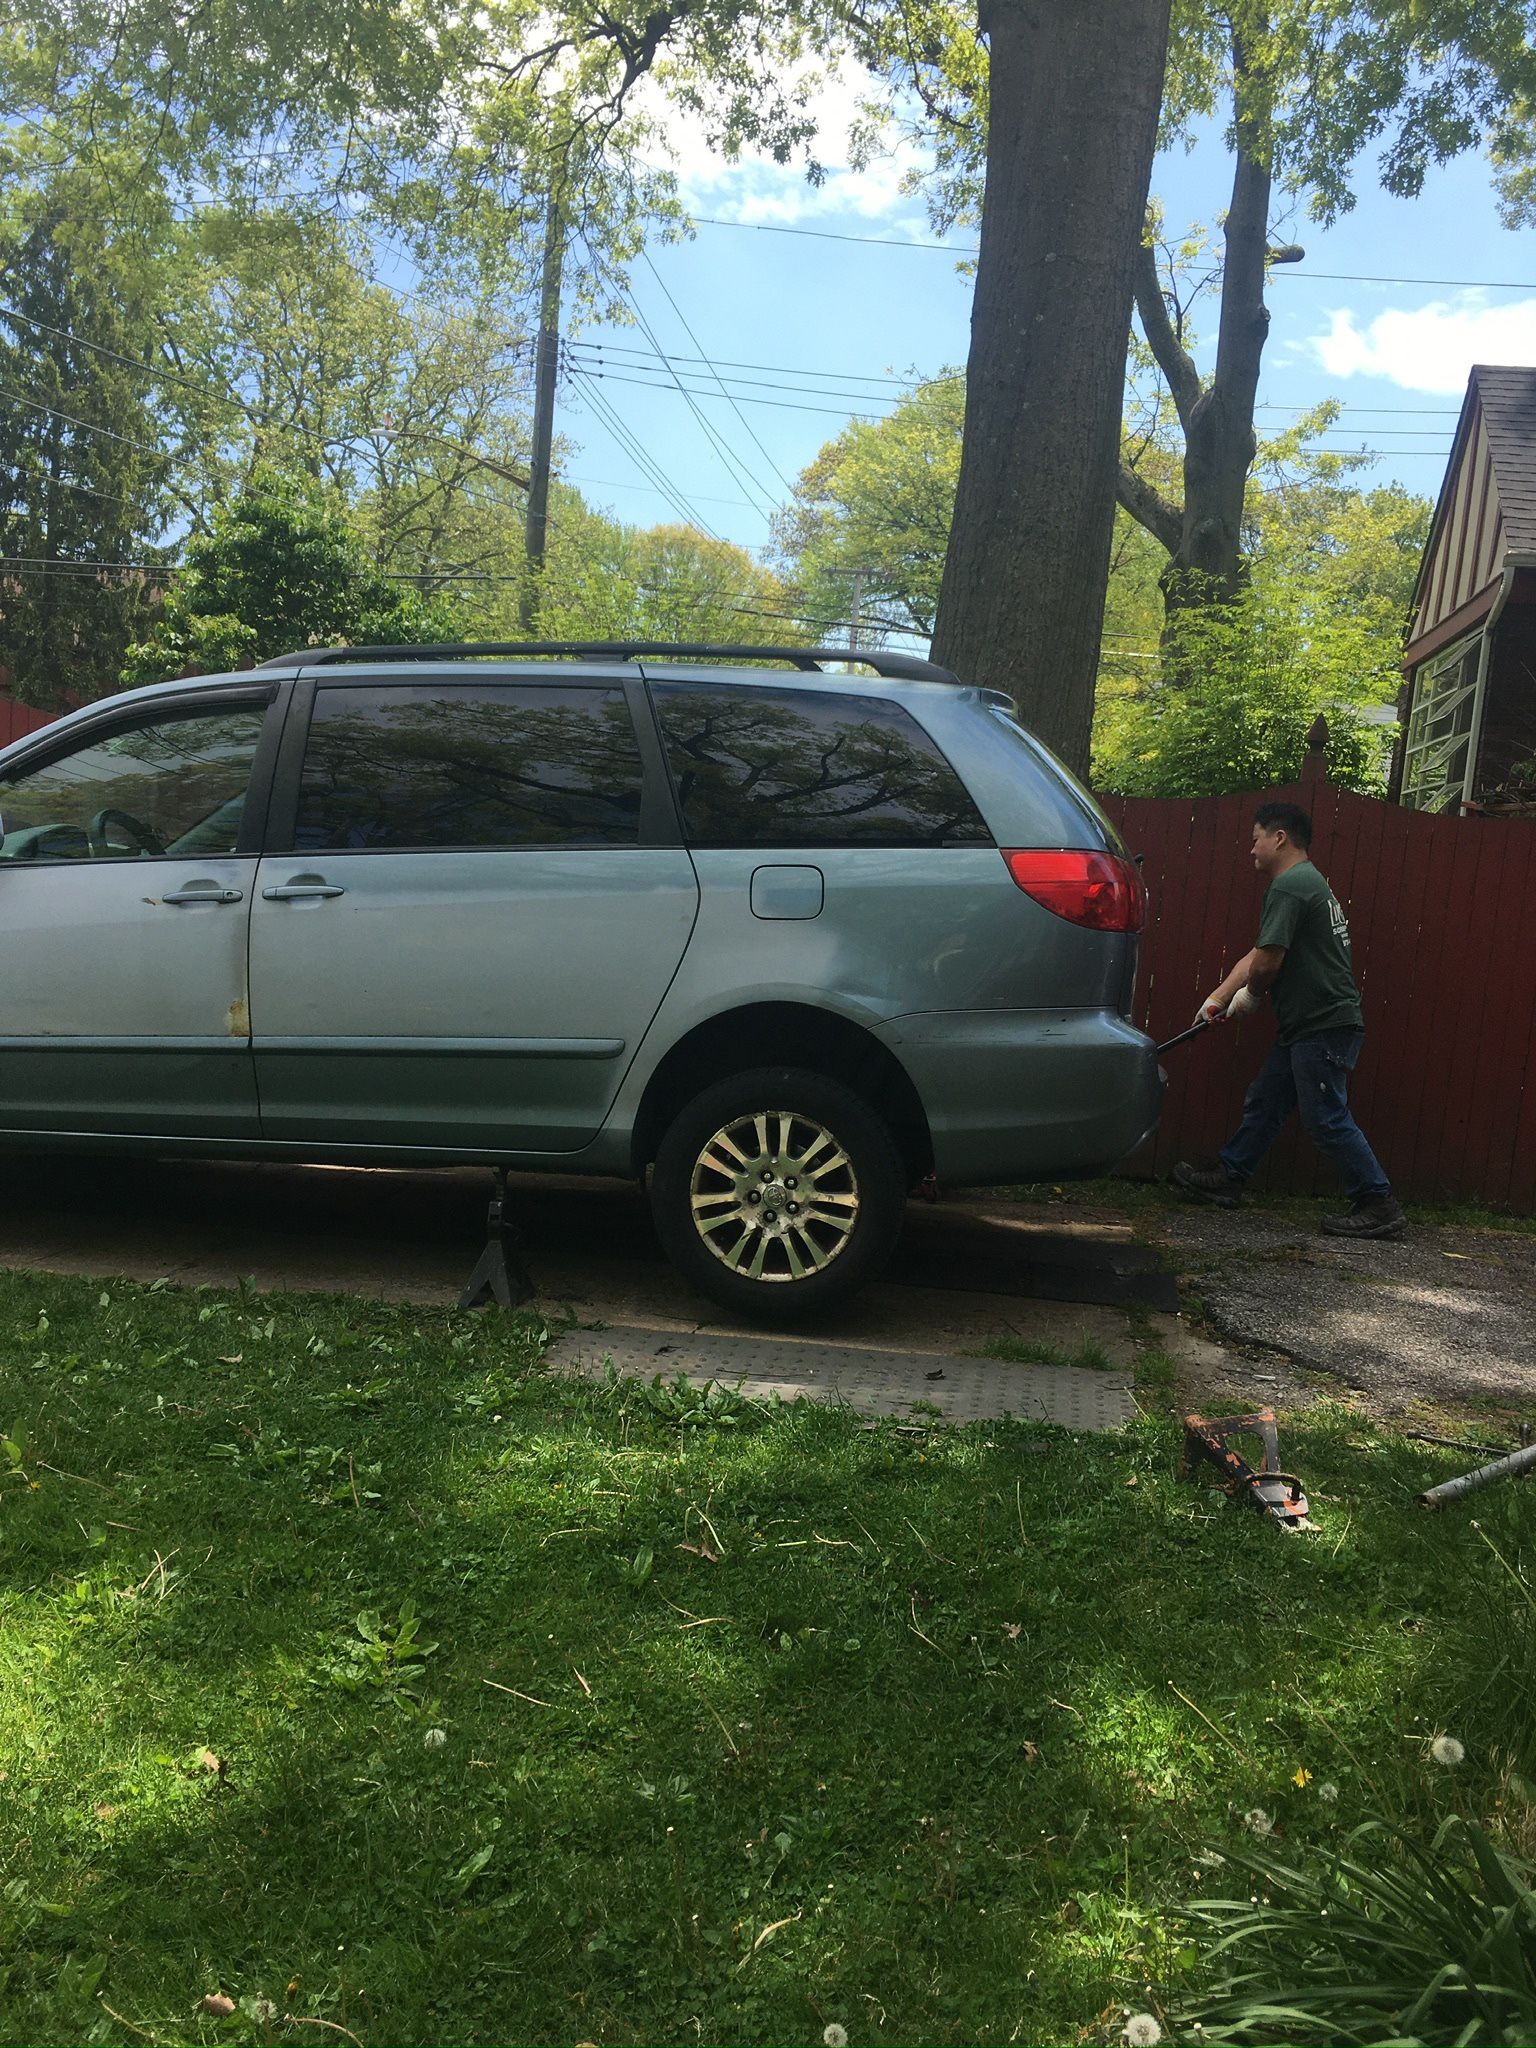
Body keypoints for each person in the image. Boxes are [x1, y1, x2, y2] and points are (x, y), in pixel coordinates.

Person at [1172, 802, 1405, 1240]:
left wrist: (1252, 997)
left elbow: (1268, 964)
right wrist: (1219, 998)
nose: (1251, 850)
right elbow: (1260, 953)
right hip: (1308, 1026)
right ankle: (1231, 1176)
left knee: (1326, 1117)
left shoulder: (1291, 886)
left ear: (1279, 838)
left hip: (1322, 1024)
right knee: (1268, 1098)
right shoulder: (1305, 882)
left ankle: (1379, 1203)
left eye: (1256, 838)